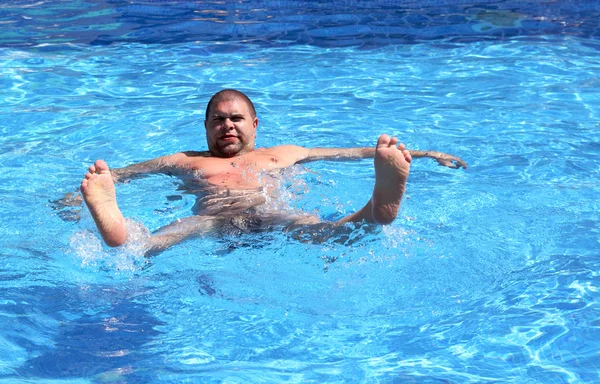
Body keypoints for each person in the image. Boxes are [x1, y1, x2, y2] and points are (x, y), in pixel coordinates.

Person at [80, 89, 467, 255]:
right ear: (205, 127)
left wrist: (425, 152)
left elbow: (349, 152)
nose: (227, 125)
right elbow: (125, 173)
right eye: (218, 120)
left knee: (332, 234)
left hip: (271, 213)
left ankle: (378, 207)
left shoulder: (284, 153)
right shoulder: (183, 160)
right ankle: (117, 229)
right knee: (149, 247)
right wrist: (74, 197)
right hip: (212, 218)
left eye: (236, 118)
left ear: (255, 124)